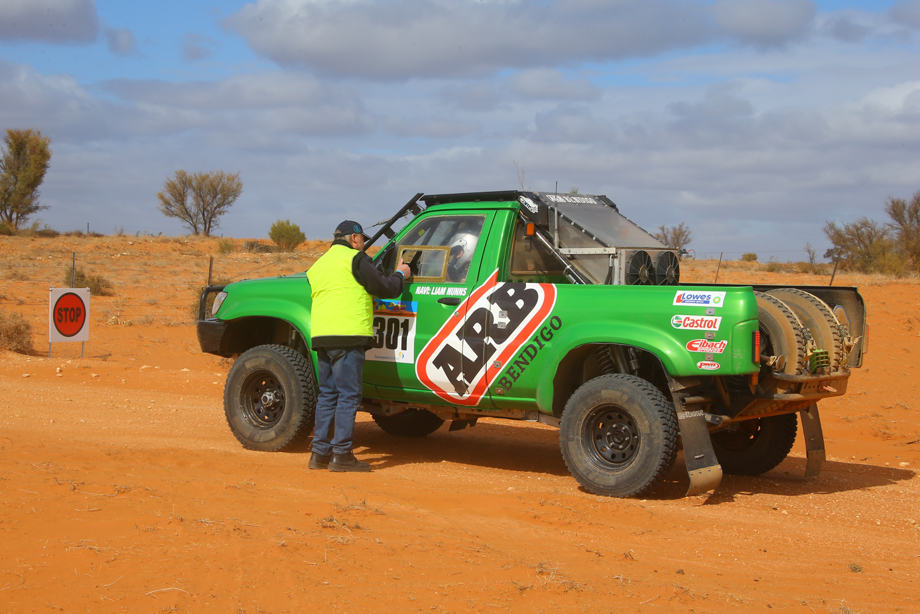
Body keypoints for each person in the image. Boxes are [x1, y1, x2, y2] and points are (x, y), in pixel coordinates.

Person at [307, 219, 411, 472]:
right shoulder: (356, 259)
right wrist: (401, 274)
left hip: (322, 337)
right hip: (348, 336)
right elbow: (384, 288)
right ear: (354, 239)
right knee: (348, 395)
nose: (363, 244)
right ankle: (341, 455)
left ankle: (319, 454)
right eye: (363, 239)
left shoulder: (319, 265)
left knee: (328, 395)